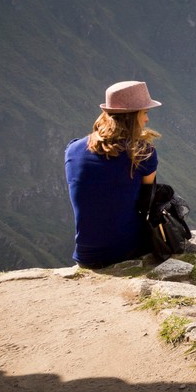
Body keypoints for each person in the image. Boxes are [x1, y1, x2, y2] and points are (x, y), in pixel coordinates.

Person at [65, 80, 161, 268]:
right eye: (145, 113)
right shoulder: (142, 152)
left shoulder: (72, 149)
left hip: (85, 255)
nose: (147, 119)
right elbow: (148, 200)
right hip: (124, 251)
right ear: (133, 116)